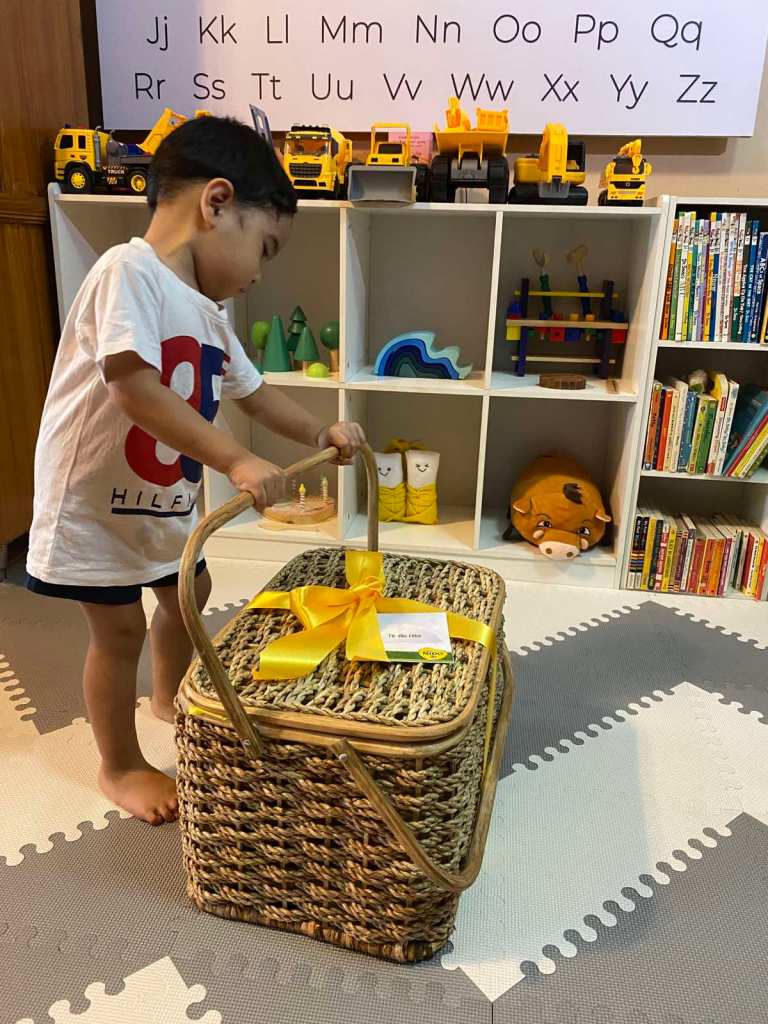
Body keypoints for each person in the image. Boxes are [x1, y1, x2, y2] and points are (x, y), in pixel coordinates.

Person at [26, 116, 365, 826]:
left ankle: (169, 695)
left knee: (190, 591)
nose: (259, 272)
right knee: (116, 634)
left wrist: (319, 429)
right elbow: (132, 387)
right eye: (264, 247)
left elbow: (255, 392)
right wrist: (236, 457)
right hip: (97, 504)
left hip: (161, 500)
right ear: (216, 203)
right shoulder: (129, 272)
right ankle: (119, 765)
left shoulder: (209, 316)